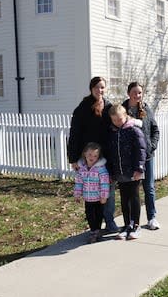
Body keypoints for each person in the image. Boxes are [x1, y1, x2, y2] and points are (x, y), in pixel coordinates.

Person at [67, 76, 118, 233]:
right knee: (92, 191)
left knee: (108, 188)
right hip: (89, 156)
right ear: (91, 89)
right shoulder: (83, 108)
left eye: (102, 87)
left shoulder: (109, 106)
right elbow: (74, 134)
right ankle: (94, 225)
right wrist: (73, 158)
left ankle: (109, 221)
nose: (100, 90)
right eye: (97, 87)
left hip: (106, 155)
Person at [122, 81, 161, 230]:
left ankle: (152, 218)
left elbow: (155, 130)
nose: (137, 95)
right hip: (131, 159)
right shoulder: (123, 109)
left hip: (147, 156)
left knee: (149, 187)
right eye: (134, 92)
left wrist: (152, 146)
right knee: (132, 191)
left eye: (139, 93)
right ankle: (132, 221)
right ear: (128, 93)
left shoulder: (145, 109)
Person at [106, 103, 147, 240]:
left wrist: (139, 168)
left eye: (120, 119)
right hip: (120, 172)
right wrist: (111, 171)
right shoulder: (112, 132)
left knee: (134, 197)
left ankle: (136, 225)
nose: (118, 122)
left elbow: (141, 151)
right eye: (114, 120)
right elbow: (111, 154)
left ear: (126, 116)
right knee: (124, 199)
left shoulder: (134, 130)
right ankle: (126, 225)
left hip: (134, 171)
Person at [73, 142, 110, 244]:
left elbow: (105, 184)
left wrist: (104, 196)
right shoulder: (82, 169)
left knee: (98, 215)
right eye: (89, 155)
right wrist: (77, 194)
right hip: (88, 198)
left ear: (98, 156)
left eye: (95, 155)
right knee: (89, 215)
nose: (92, 157)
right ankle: (93, 230)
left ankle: (97, 230)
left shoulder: (101, 169)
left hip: (98, 198)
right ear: (85, 154)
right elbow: (79, 182)